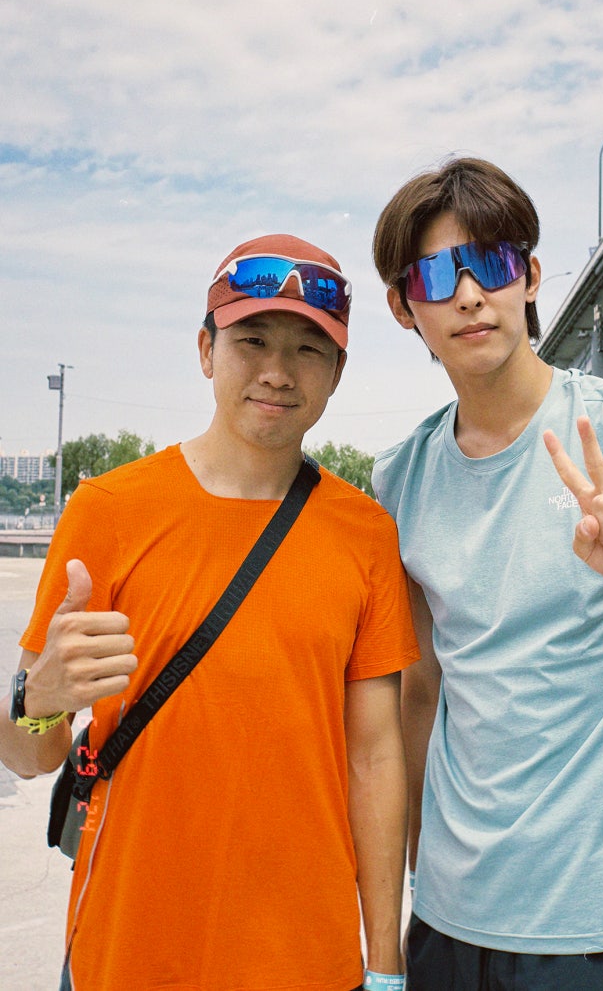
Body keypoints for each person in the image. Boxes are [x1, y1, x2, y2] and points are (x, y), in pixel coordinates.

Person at [0, 233, 419, 991]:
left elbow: (375, 759)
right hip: (128, 950)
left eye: (308, 349)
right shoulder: (108, 511)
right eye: (251, 340)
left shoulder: (365, 534)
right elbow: (30, 755)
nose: (277, 371)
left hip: (306, 956)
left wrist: (385, 962)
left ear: (336, 373)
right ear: (206, 350)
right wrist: (38, 701)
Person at [370, 156, 603, 991]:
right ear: (404, 307)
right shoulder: (400, 479)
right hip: (450, 918)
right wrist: (408, 890)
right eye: (435, 275)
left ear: (530, 276)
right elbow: (416, 694)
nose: (470, 294)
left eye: (490, 262)